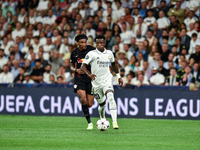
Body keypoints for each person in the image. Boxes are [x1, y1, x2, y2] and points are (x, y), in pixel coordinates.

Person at [81, 34, 123, 129]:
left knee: (111, 97)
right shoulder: (91, 54)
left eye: (101, 42)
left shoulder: (109, 53)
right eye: (98, 43)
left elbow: (114, 65)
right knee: (102, 105)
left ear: (104, 43)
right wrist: (89, 74)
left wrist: (119, 76)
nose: (99, 44)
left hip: (107, 80)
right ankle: (102, 118)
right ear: (96, 44)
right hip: (96, 84)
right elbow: (82, 66)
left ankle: (115, 122)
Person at [70, 34, 95, 130]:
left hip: (90, 78)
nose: (84, 44)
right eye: (81, 42)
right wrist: (76, 70)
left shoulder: (92, 50)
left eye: (85, 42)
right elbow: (71, 66)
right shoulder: (74, 53)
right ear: (77, 43)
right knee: (83, 99)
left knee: (89, 104)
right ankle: (89, 123)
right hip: (79, 78)